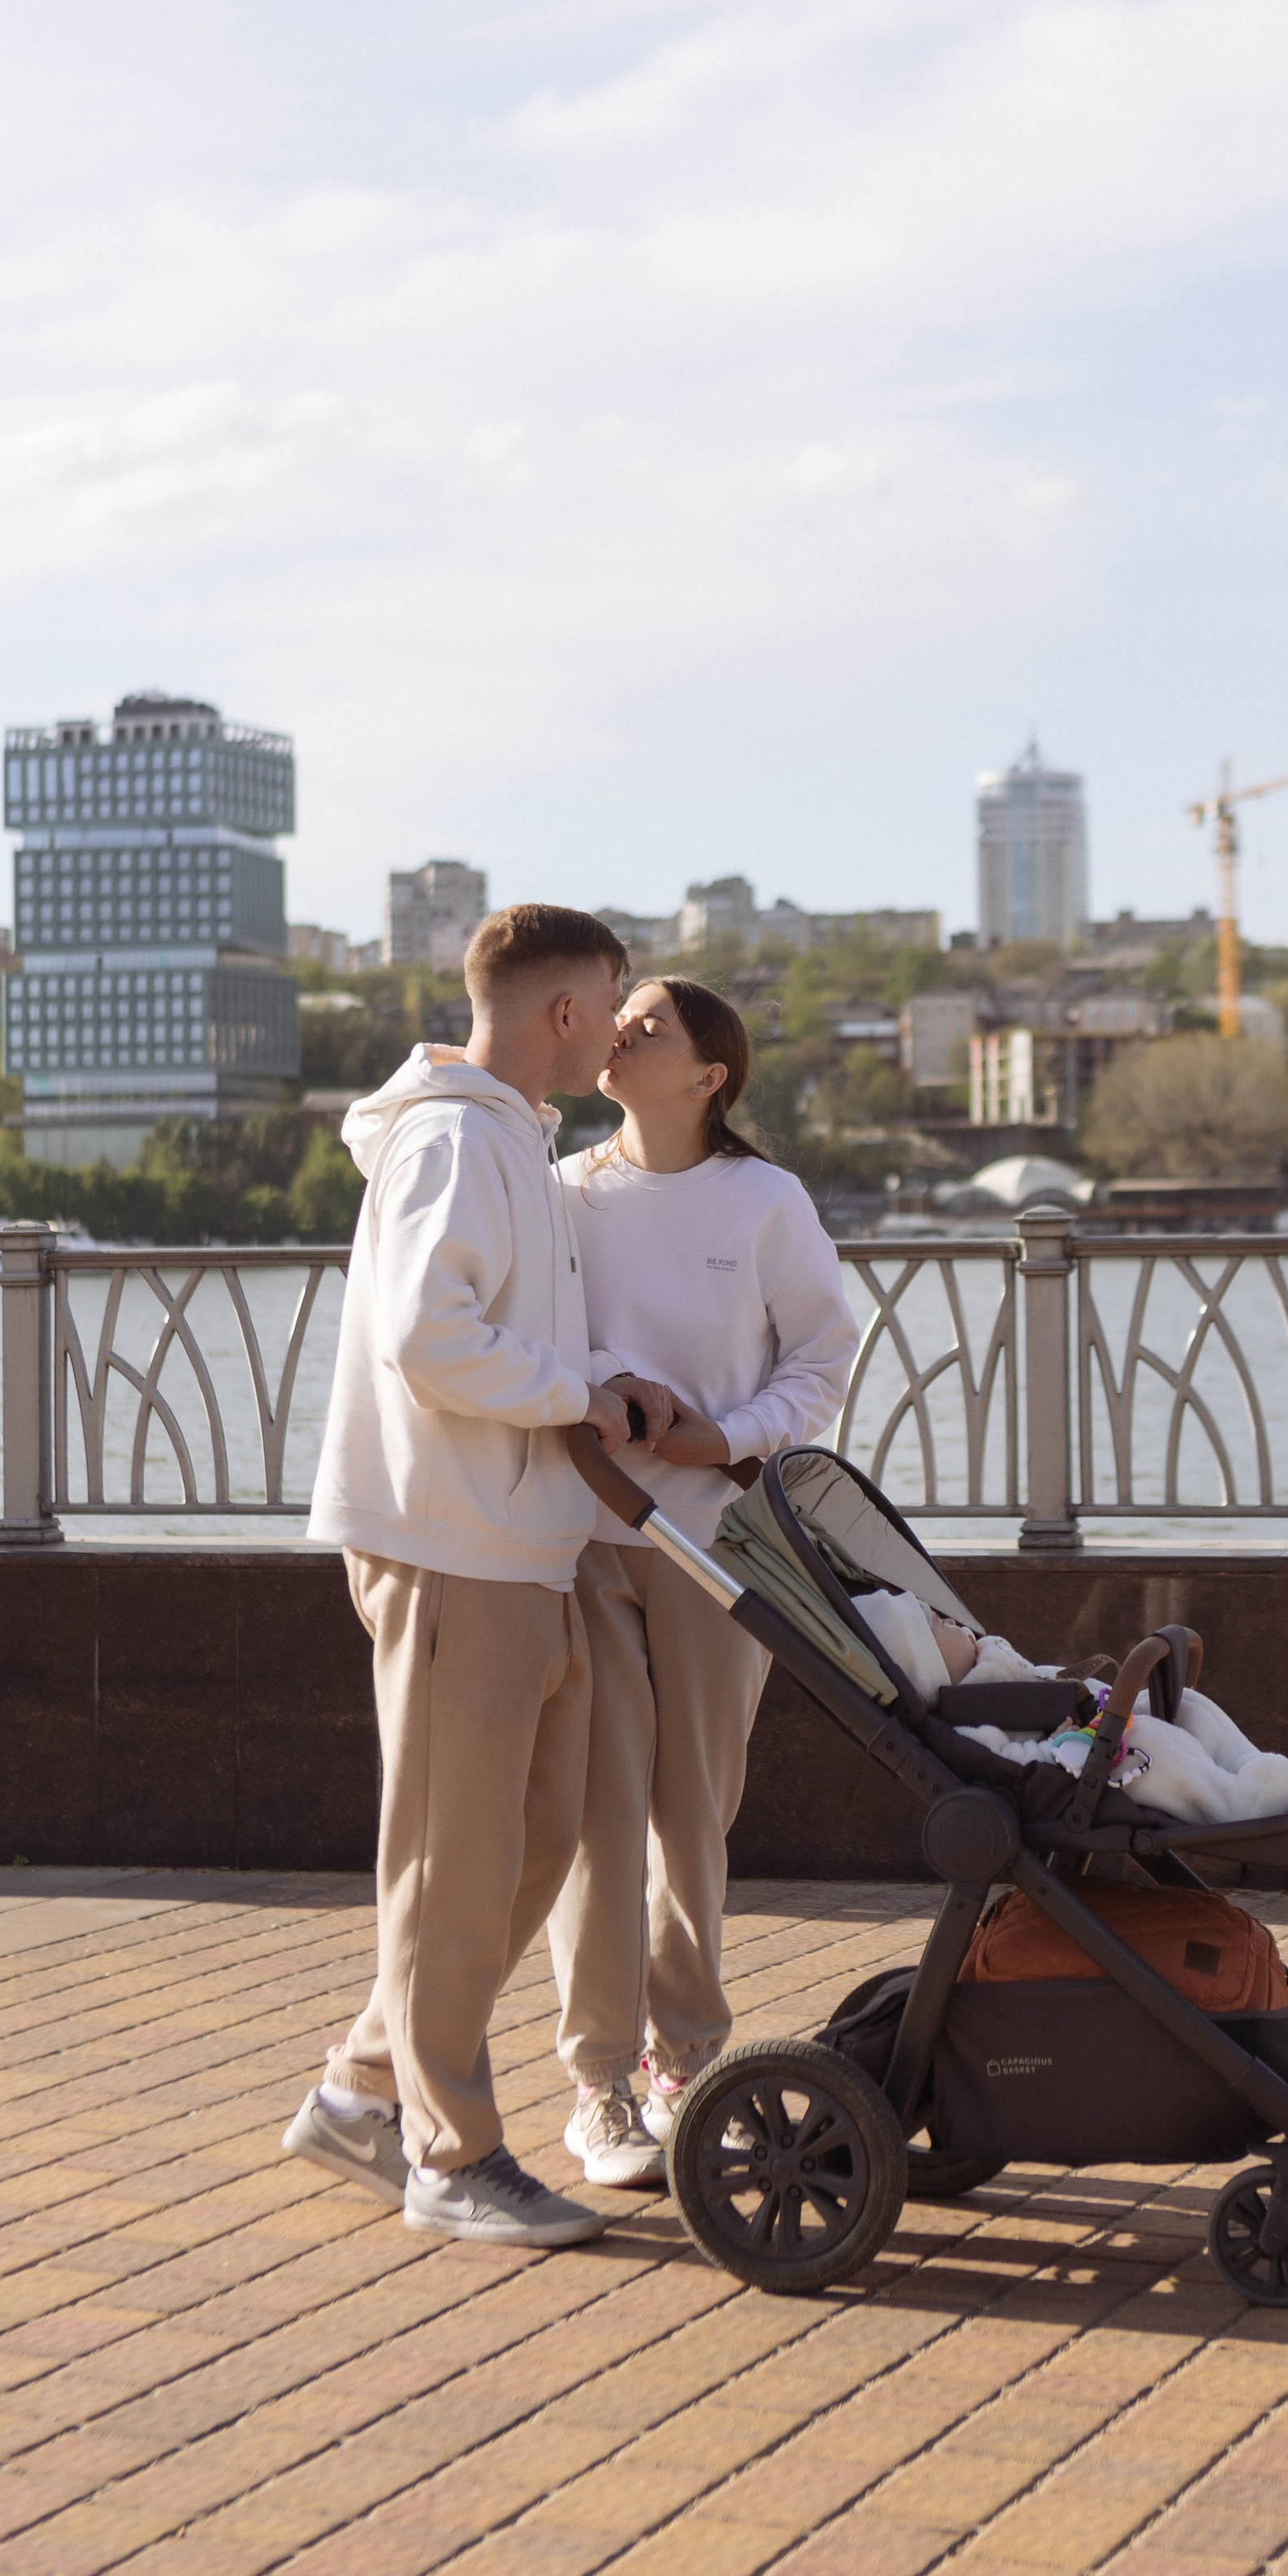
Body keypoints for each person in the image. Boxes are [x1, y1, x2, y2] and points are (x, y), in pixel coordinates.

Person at [285, 905, 677, 2251]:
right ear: (562, 1012)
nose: (622, 1027)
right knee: (454, 1857)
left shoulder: (511, 1135)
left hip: (518, 1542)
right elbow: (426, 1337)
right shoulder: (453, 1139)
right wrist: (581, 1392)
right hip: (452, 1545)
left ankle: (362, 2087)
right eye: (611, 1002)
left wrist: (585, 1396)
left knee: (537, 1840)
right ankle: (451, 2157)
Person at [547, 974, 858, 2188]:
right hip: (588, 1535)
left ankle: (689, 2058)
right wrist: (624, 1396)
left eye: (651, 1023)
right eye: (617, 1016)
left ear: (708, 1074)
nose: (621, 1031)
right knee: (599, 1812)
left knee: (695, 1815)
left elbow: (824, 1359)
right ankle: (600, 2083)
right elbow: (546, 1342)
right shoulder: (563, 1192)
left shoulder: (764, 1200)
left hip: (726, 1545)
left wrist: (718, 1439)